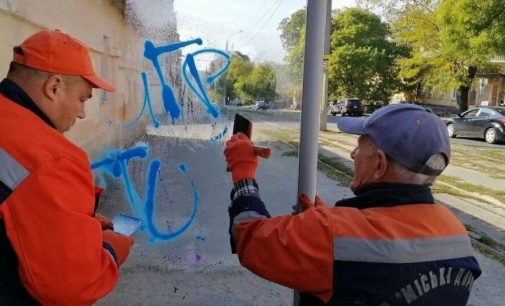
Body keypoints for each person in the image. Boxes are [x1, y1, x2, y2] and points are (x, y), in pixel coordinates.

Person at [224, 104, 481, 305]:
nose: (353, 154)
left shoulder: (333, 234)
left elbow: (250, 237)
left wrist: (243, 172)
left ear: (379, 164)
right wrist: (329, 223)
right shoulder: (456, 233)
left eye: (359, 147)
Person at [0, 29, 134, 305]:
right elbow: (73, 288)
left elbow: (16, 205)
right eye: (83, 99)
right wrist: (112, 248)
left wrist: (76, 222)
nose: (82, 112)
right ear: (54, 87)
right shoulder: (53, 159)